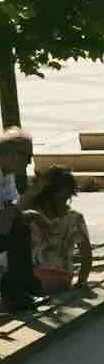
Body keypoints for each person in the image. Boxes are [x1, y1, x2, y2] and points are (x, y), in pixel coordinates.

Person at [26, 169, 91, 293]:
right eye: (60, 199)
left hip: (46, 275)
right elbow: (86, 253)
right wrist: (82, 281)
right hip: (60, 277)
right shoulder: (74, 218)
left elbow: (86, 253)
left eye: (65, 199)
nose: (63, 204)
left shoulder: (73, 219)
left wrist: (81, 281)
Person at [0, 128, 42, 314]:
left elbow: (12, 208)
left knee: (22, 226)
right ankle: (16, 291)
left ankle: (21, 288)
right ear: (9, 152)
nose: (29, 162)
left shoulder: (7, 175)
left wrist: (31, 215)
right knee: (18, 229)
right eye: (26, 156)